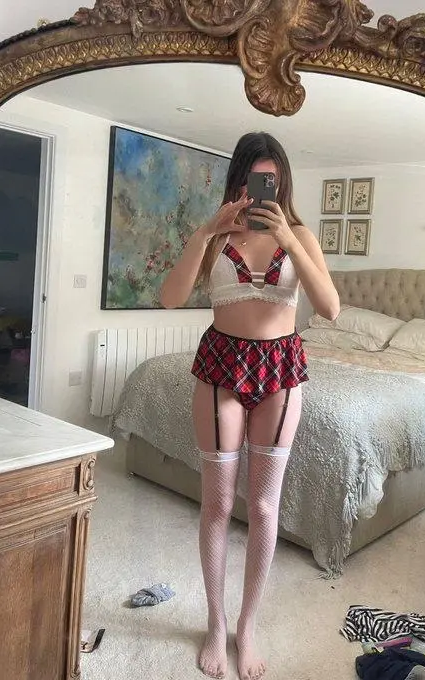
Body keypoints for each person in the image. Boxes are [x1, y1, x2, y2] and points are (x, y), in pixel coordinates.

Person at [160, 132, 340, 680]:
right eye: (253, 179)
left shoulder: (299, 234)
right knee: (217, 503)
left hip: (280, 368)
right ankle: (216, 624)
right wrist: (206, 230)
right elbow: (170, 297)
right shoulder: (216, 235)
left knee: (263, 506)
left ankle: (248, 624)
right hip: (221, 365)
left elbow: (330, 308)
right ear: (238, 180)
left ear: (282, 182)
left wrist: (289, 237)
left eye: (272, 180)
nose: (263, 189)